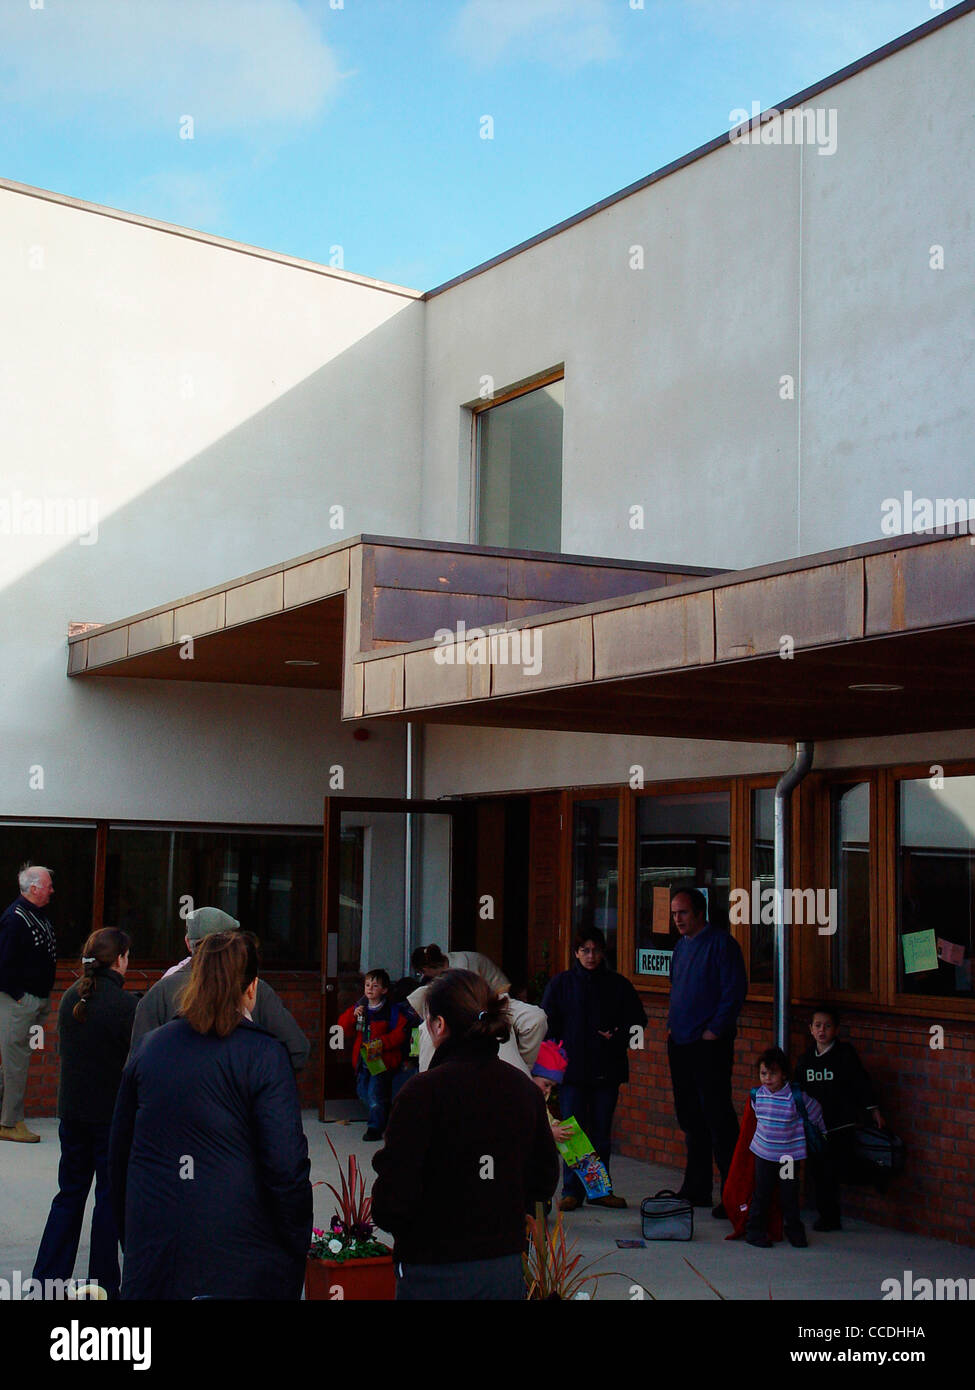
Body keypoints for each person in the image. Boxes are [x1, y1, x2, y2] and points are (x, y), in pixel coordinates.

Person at [109, 931, 312, 1300]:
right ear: (251, 989)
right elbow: (287, 1168)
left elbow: (119, 1156)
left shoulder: (150, 1048)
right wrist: (294, 1246)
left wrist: (135, 1238)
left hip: (157, 1251)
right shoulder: (265, 1055)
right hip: (239, 1258)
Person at [371, 969, 559, 1301]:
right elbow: (543, 1181)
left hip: (432, 1268)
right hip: (501, 1264)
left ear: (439, 1025)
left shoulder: (422, 1093)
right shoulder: (521, 1089)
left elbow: (392, 1198)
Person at [32, 929, 136, 1298]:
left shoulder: (70, 999)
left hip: (72, 1114)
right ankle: (103, 1282)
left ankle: (46, 1280)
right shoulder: (126, 1007)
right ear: (120, 959)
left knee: (69, 1194)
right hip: (109, 1118)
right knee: (108, 1199)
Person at [128, 905, 309, 1071]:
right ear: (231, 943)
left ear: (187, 942)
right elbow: (298, 1050)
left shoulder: (160, 991)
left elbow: (137, 1064)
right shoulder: (251, 987)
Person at [540, 928, 646, 1212]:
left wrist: (619, 1035)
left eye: (596, 950)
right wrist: (550, 1070)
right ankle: (572, 1190)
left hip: (606, 1069)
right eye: (585, 950)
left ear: (603, 953)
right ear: (576, 953)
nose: (591, 956)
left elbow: (638, 1023)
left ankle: (600, 1190)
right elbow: (546, 1026)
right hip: (571, 1072)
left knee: (601, 1131)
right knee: (574, 1131)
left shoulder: (618, 985)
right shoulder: (561, 984)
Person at [666, 887, 747, 1217]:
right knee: (690, 1118)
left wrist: (715, 1029)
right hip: (680, 1042)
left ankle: (732, 1193)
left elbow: (734, 991)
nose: (677, 920)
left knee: (718, 1117)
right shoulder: (680, 948)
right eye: (673, 914)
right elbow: (676, 987)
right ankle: (696, 1187)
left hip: (709, 1045)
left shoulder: (722, 944)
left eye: (683, 913)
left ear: (700, 912)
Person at [795, 1004, 885, 1231]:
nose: (822, 1030)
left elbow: (861, 1082)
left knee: (842, 1167)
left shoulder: (844, 1054)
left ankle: (877, 1175)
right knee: (820, 1173)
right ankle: (829, 1217)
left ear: (836, 1029)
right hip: (816, 1128)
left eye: (827, 1026)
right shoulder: (806, 1059)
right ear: (811, 1029)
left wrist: (873, 1109)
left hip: (841, 1124)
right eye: (817, 1026)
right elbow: (797, 1091)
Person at [408, 946, 546, 1077]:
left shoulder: (432, 1026)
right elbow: (535, 1018)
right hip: (516, 1089)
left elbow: (426, 1083)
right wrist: (523, 1067)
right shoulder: (498, 1013)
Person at [743, 1047, 825, 1249]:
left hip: (788, 1157)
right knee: (762, 1194)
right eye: (763, 1073)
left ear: (784, 1075)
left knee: (789, 1195)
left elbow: (815, 1112)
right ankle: (754, 1232)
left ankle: (794, 1232)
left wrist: (823, 1132)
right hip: (764, 1155)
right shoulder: (757, 1096)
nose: (767, 1078)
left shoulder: (795, 1098)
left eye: (773, 1073)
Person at [0, 865, 58, 1143]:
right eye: (48, 885)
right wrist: (20, 997)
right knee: (16, 1063)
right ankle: (10, 1124)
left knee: (15, 1062)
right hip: (18, 1000)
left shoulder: (36, 915)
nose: (52, 890)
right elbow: (3, 963)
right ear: (34, 888)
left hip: (33, 998)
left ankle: (5, 1117)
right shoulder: (15, 918)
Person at [337, 968, 409, 1139]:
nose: (369, 988)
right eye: (367, 984)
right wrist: (353, 1016)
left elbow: (400, 1034)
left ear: (384, 990)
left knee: (374, 1093)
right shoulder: (360, 1007)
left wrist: (382, 1043)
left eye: (375, 986)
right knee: (362, 1091)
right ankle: (385, 1114)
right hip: (363, 1058)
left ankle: (375, 1127)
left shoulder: (391, 1011)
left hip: (379, 1057)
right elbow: (342, 1029)